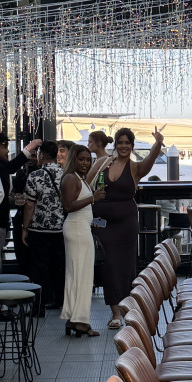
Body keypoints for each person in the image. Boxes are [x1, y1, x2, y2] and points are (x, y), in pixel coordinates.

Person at [92, 125, 164, 328]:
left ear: (132, 146)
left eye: (127, 143)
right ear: (115, 145)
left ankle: (125, 309)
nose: (123, 146)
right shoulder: (103, 163)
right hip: (103, 224)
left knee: (125, 267)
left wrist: (157, 143)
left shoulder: (134, 168)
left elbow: (150, 160)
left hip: (126, 225)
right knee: (109, 267)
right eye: (120, 142)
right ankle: (115, 312)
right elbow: (87, 183)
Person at [60, 144, 104, 336]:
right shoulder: (70, 178)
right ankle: (80, 322)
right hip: (77, 230)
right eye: (82, 159)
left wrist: (92, 219)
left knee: (77, 276)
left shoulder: (79, 179)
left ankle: (74, 318)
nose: (86, 163)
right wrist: (93, 198)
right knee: (83, 276)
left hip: (80, 227)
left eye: (88, 159)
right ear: (73, 160)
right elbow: (68, 206)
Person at [0, 132, 41, 276]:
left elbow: (12, 168)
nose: (7, 151)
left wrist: (12, 198)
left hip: (2, 220)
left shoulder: (1, 165)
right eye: (5, 147)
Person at [21, 141, 66, 313]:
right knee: (58, 266)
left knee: (39, 267)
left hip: (39, 229)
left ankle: (40, 304)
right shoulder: (65, 175)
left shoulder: (35, 176)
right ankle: (59, 300)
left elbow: (30, 205)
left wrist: (25, 228)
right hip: (60, 228)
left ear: (41, 155)